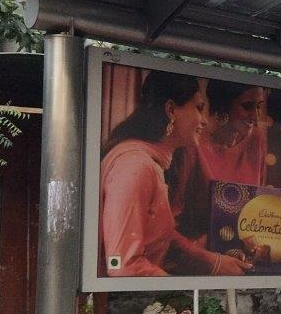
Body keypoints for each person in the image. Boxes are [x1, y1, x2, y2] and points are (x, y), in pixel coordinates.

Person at [100, 70, 250, 277]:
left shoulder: (150, 162)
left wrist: (214, 263)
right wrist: (181, 289)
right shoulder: (136, 166)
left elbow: (163, 237)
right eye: (198, 108)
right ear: (171, 110)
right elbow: (123, 267)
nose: (204, 121)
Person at [173, 80, 270, 238]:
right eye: (247, 106)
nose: (256, 117)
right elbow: (171, 219)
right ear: (224, 104)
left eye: (258, 106)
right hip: (196, 246)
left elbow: (255, 209)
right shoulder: (193, 142)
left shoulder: (256, 139)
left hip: (242, 245)